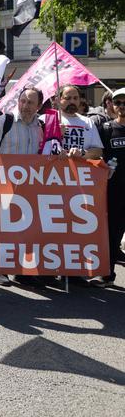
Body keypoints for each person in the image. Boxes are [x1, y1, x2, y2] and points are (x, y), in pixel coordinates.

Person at [0, 87, 45, 286]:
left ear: (39, 106)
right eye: (23, 101)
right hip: (3, 185)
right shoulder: (4, 121)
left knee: (23, 229)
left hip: (27, 187)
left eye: (31, 103)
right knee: (0, 229)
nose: (25, 106)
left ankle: (21, 271)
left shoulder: (40, 127)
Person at [92, 87, 125, 287]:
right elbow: (96, 156)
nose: (121, 106)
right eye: (118, 102)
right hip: (114, 192)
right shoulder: (106, 129)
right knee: (112, 235)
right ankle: (107, 275)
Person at [52, 84, 104, 160]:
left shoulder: (88, 122)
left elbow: (98, 151)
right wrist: (56, 135)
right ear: (58, 100)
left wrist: (82, 153)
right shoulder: (49, 120)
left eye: (75, 98)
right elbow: (41, 149)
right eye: (68, 98)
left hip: (81, 167)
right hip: (56, 166)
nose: (72, 101)